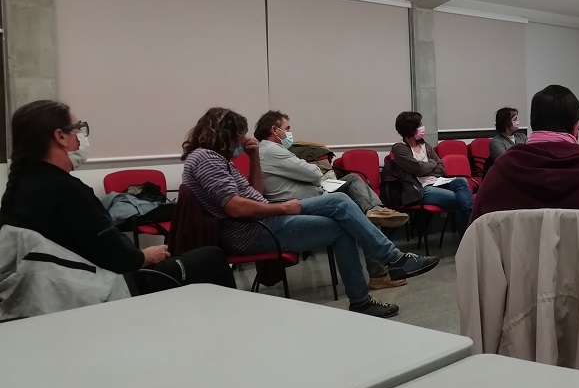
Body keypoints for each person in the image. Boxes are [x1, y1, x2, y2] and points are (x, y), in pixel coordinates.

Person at [181, 108, 440, 317]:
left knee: (341, 214)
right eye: (239, 135)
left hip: (261, 220)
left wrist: (253, 158)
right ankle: (388, 265)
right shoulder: (206, 159)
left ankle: (378, 278)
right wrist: (282, 207)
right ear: (225, 134)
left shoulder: (214, 158)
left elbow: (255, 192)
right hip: (252, 230)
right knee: (339, 205)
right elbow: (234, 207)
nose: (242, 140)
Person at [0, 100, 235, 292]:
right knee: (212, 257)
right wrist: (145, 255)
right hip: (99, 288)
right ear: (60, 136)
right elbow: (117, 258)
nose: (81, 136)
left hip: (55, 288)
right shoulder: (67, 191)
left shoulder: (18, 187)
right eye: (77, 128)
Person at [254, 110, 410, 289]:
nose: (289, 133)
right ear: (275, 130)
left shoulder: (273, 150)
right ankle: (382, 268)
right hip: (299, 203)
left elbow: (308, 174)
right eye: (287, 128)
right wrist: (309, 169)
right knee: (356, 206)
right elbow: (313, 173)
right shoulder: (271, 150)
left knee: (355, 186)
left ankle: (376, 211)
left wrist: (307, 171)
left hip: (313, 195)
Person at [471, 84, 579, 241]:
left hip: (515, 275)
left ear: (533, 126)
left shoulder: (497, 175)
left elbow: (473, 235)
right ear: (577, 128)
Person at [384, 112, 474, 235]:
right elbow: (418, 169)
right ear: (411, 128)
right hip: (419, 189)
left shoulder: (425, 145)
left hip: (437, 182)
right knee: (461, 201)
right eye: (420, 124)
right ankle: (468, 234)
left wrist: (426, 167)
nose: (422, 127)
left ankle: (469, 220)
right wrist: (432, 163)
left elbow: (441, 168)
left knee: (461, 181)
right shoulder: (399, 148)